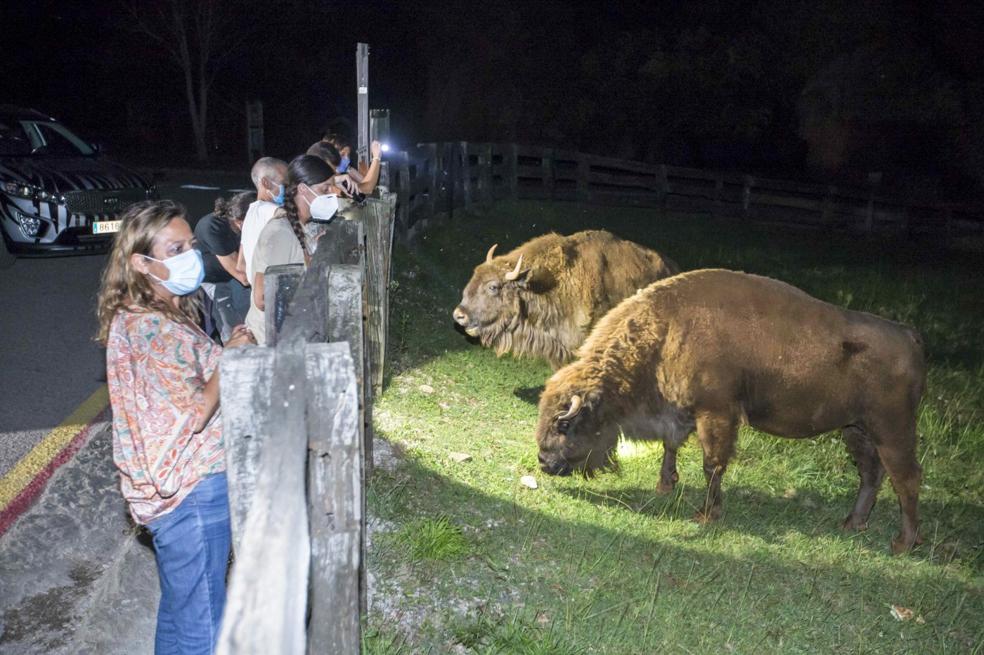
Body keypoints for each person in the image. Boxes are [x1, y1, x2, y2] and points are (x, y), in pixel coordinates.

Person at [97, 199, 255, 654]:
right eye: (175, 248)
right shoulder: (153, 327)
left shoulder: (141, 313)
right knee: (204, 626)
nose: (191, 254)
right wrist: (232, 357)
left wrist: (223, 352)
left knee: (182, 610)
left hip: (170, 493)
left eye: (190, 244)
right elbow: (195, 411)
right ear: (140, 262)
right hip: (192, 492)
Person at [246, 155, 338, 345]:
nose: (333, 192)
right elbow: (262, 298)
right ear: (303, 189)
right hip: (272, 341)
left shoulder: (297, 226)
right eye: (325, 188)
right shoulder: (280, 234)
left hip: (287, 335)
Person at [195, 191, 254, 343]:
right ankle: (231, 355)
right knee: (231, 325)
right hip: (213, 279)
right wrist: (247, 236)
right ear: (239, 222)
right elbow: (243, 276)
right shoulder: (213, 227)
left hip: (235, 276)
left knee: (250, 319)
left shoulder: (245, 223)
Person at [238, 157, 287, 287]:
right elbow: (281, 214)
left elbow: (240, 264)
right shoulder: (269, 210)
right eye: (284, 183)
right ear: (265, 182)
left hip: (257, 289)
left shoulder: (250, 212)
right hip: (270, 290)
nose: (289, 189)